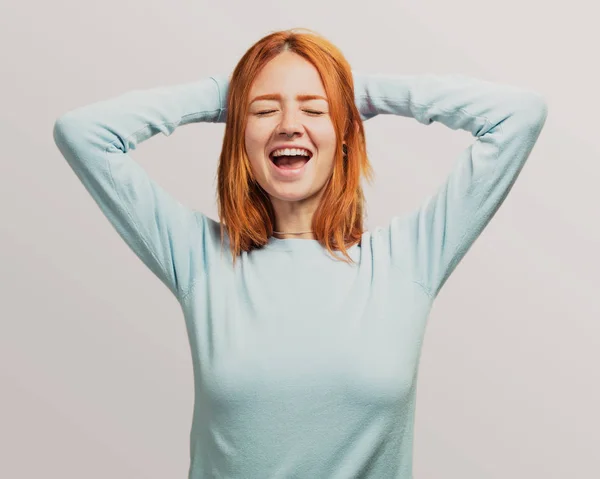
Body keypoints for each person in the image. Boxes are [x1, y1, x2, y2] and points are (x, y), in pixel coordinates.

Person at [52, 28, 547, 479]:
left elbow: (517, 116)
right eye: (265, 110)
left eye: (315, 110)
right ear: (239, 140)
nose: (290, 125)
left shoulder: (407, 260)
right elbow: (84, 133)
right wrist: (228, 94)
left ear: (346, 134)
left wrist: (354, 90)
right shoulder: (202, 260)